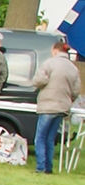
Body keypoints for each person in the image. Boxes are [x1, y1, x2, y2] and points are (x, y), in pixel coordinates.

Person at [30, 37, 80, 174]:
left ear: (55, 50)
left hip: (48, 105)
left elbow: (39, 81)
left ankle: (40, 167)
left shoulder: (49, 64)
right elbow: (76, 91)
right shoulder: (73, 68)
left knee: (40, 138)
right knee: (50, 139)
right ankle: (49, 167)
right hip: (63, 107)